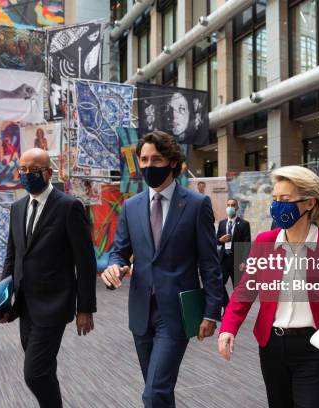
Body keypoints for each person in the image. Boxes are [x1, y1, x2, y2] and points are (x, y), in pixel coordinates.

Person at [218, 166, 319, 408]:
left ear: (309, 203)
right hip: (272, 346)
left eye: (285, 200)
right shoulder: (265, 242)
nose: (277, 206)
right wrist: (228, 329)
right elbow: (244, 292)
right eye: (275, 199)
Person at [101, 131, 223, 408]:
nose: (147, 165)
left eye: (156, 159)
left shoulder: (196, 204)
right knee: (158, 391)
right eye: (143, 159)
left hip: (177, 312)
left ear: (172, 162)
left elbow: (209, 262)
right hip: (141, 310)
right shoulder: (131, 206)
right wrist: (114, 267)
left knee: (154, 392)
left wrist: (211, 311)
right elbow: (120, 250)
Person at [0, 148, 97, 408]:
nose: (27, 175)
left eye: (34, 170)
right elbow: (12, 257)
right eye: (23, 170)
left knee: (34, 373)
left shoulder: (69, 207)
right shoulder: (17, 208)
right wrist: (3, 300)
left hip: (54, 304)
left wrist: (85, 308)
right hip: (24, 305)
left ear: (48, 173)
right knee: (44, 370)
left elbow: (85, 262)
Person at [216, 198, 251, 308]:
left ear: (236, 208)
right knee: (219, 285)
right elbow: (217, 240)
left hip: (237, 261)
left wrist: (244, 261)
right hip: (224, 260)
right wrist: (221, 240)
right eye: (228, 205)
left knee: (238, 288)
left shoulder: (244, 224)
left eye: (233, 205)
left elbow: (246, 244)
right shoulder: (222, 223)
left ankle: (235, 309)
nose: (230, 207)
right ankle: (227, 307)